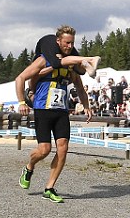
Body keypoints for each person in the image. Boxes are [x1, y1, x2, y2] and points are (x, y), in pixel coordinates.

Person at [16, 25, 93, 203]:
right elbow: (20, 78)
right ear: (58, 41)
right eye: (66, 42)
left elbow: (80, 87)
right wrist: (21, 102)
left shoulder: (71, 65)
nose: (69, 46)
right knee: (44, 150)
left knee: (63, 148)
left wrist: (86, 105)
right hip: (43, 108)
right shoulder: (44, 59)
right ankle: (29, 167)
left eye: (72, 43)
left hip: (61, 111)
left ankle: (49, 187)